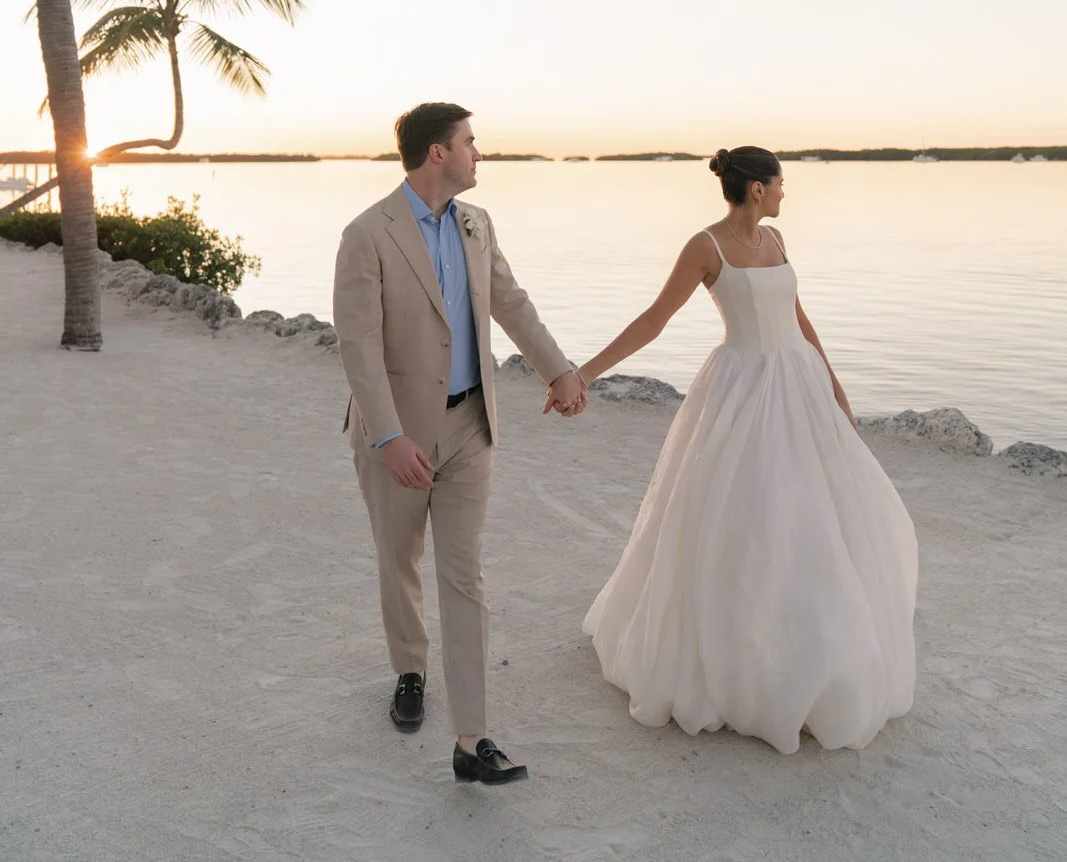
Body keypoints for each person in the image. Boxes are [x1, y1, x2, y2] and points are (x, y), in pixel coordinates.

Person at [575, 145, 917, 754]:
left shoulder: (777, 241)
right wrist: (584, 373)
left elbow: (799, 317)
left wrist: (834, 385)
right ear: (756, 188)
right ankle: (739, 657)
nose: (786, 194)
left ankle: (811, 648)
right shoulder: (704, 247)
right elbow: (654, 320)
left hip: (800, 386)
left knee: (815, 517)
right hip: (741, 390)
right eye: (781, 184)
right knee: (749, 518)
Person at [333, 102, 587, 785]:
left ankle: (472, 740)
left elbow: (510, 300)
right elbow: (356, 345)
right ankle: (409, 671)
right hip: (397, 431)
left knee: (464, 574)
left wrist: (559, 369)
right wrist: (388, 435)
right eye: (470, 143)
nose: (479, 153)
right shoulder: (367, 233)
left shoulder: (478, 223)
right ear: (437, 153)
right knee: (400, 560)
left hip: (471, 426)